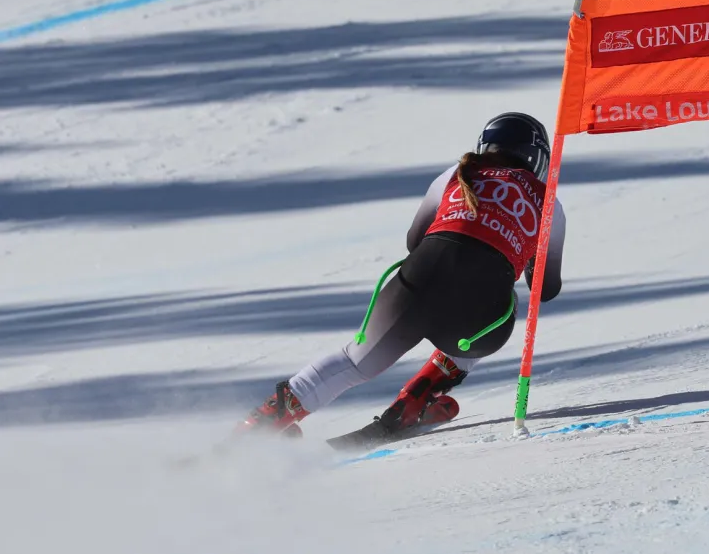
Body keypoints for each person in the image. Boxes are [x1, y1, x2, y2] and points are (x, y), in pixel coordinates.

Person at [238, 112, 567, 438]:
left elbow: (414, 240)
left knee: (354, 363)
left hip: (416, 285)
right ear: (537, 157)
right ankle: (419, 396)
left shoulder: (456, 173)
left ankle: (263, 421)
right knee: (498, 296)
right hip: (477, 320)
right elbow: (544, 289)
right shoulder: (548, 200)